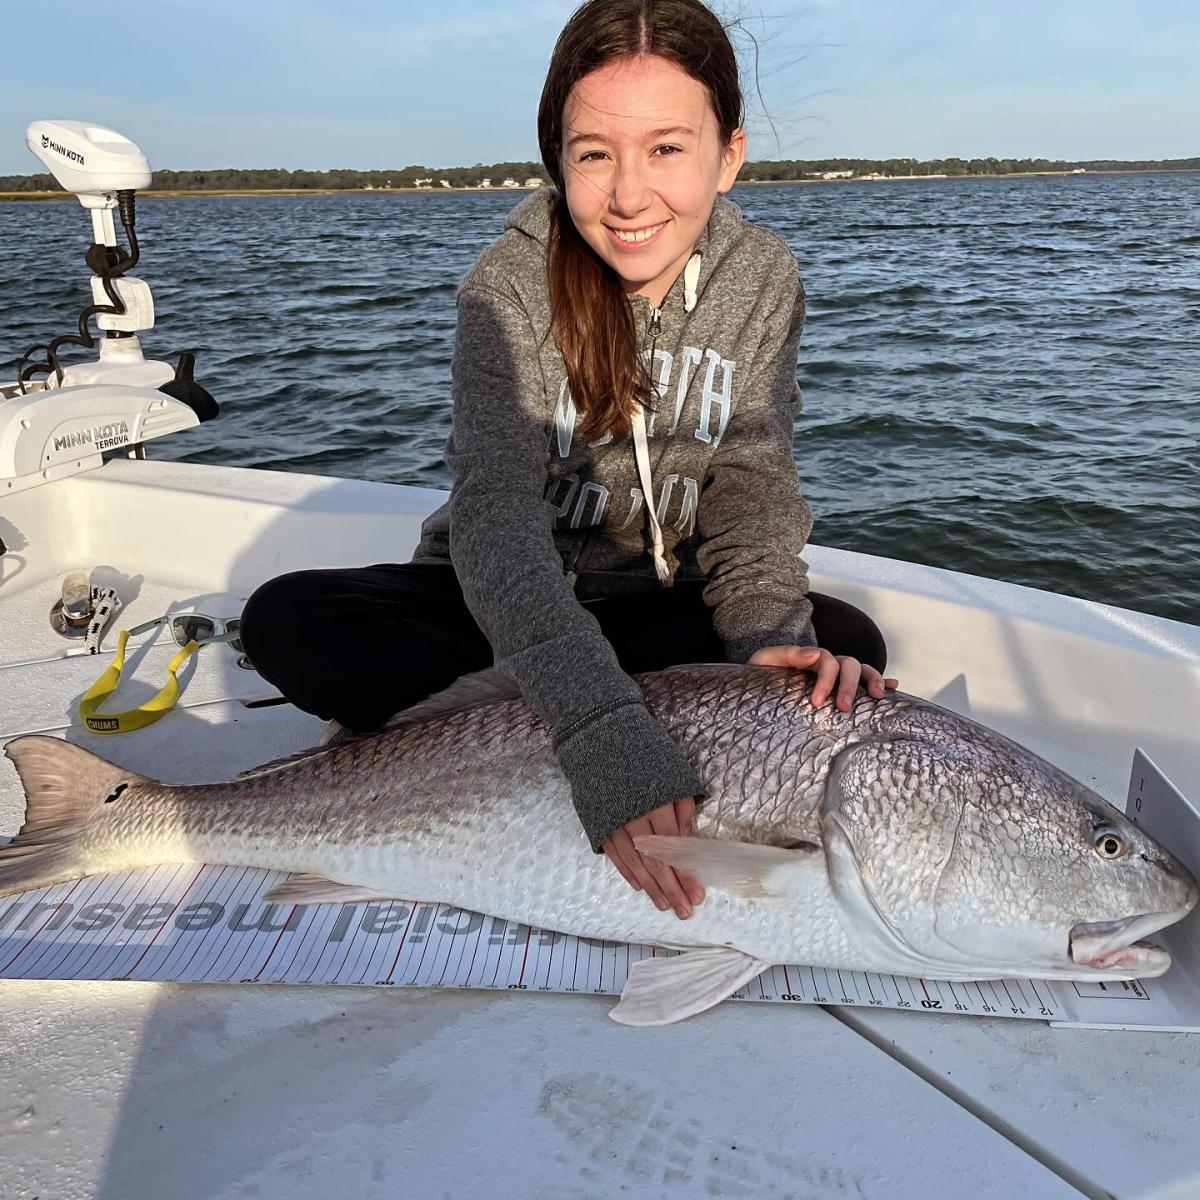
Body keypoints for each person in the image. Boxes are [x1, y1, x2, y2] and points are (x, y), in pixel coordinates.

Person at [239, 0, 897, 924]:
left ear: (729, 153)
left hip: (657, 608)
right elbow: (497, 523)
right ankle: (588, 725)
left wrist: (759, 645)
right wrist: (598, 730)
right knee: (288, 620)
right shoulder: (504, 288)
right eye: (595, 155)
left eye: (668, 148)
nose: (629, 195)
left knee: (841, 647)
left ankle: (503, 736)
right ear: (558, 158)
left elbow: (751, 484)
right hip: (499, 609)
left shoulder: (763, 278)